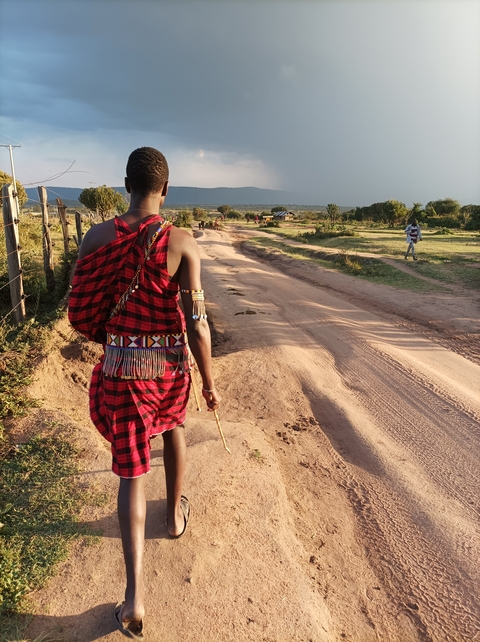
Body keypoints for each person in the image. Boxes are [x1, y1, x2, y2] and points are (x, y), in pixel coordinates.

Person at [68, 147, 221, 640]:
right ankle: (174, 516)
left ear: (124, 184)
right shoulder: (181, 241)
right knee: (174, 428)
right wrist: (210, 381)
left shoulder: (95, 236)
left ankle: (134, 598)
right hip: (168, 366)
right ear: (166, 189)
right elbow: (197, 325)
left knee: (132, 473)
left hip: (119, 366)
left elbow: (82, 303)